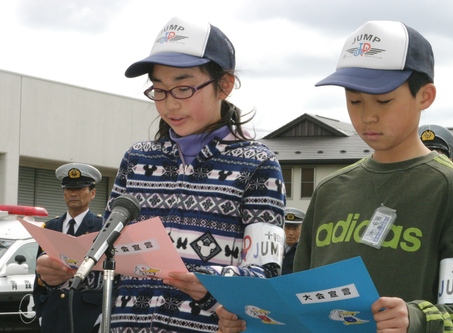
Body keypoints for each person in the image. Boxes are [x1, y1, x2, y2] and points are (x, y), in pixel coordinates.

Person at [217, 20, 453, 333]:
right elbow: (297, 305)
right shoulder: (330, 189)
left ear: (425, 96)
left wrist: (416, 319)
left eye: (384, 101)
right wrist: (252, 319)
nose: (367, 115)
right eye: (354, 100)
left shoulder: (449, 185)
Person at [37, 16, 286, 333]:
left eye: (183, 88)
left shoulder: (258, 164)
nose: (169, 104)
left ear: (224, 84)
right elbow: (111, 259)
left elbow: (268, 272)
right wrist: (70, 271)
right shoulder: (137, 159)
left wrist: (213, 284)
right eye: (158, 89)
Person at [33, 162, 104, 333]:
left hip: (88, 315)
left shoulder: (102, 228)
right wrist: (41, 312)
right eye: (68, 189)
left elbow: (114, 276)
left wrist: (102, 315)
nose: (73, 193)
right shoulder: (49, 227)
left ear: (92, 193)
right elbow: (39, 276)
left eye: (80, 189)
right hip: (53, 313)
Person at [281, 207, 305, 275]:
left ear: (301, 230)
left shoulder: (303, 251)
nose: (290, 233)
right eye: (287, 228)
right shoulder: (274, 247)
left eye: (295, 229)